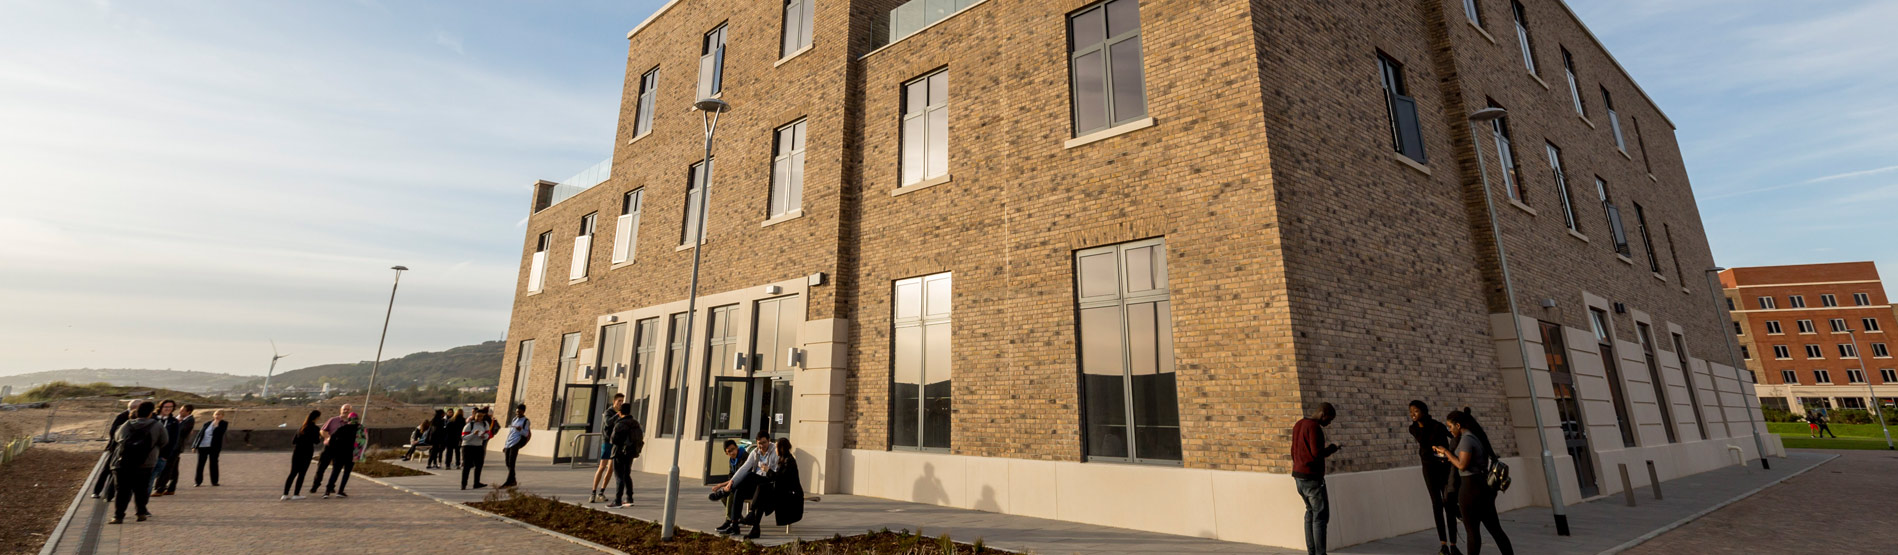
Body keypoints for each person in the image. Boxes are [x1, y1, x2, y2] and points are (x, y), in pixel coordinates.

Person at [1434, 410, 1513, 555]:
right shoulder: (1476, 436)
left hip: (1470, 488)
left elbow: (1462, 465)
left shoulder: (1466, 439)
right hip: (1482, 487)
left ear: (1458, 425)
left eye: (1450, 427)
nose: (1449, 430)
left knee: (1472, 533)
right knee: (1496, 530)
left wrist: (1446, 452)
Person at [1409, 401, 1459, 555]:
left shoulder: (1437, 426)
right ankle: (1443, 544)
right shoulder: (1414, 428)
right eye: (1411, 412)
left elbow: (1454, 437)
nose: (1413, 415)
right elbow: (1424, 441)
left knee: (1448, 503)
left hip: (1443, 467)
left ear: (1423, 411)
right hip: (1429, 469)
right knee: (1436, 504)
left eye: (1416, 411)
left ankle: (1453, 544)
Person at [1292, 402, 1340, 555]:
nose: (1329, 423)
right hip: (1312, 477)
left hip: (1298, 475)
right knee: (1320, 516)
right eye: (1329, 419)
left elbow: (1293, 450)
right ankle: (1320, 553)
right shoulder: (1314, 428)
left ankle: (1311, 552)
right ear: (1322, 414)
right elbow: (1317, 453)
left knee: (1310, 513)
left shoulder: (1299, 424)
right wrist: (1333, 448)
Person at [713, 431, 778, 539]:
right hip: (756, 484)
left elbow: (777, 473)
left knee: (749, 475)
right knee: (739, 490)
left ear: (769, 441)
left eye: (764, 443)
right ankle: (734, 525)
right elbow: (743, 468)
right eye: (759, 443)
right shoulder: (755, 452)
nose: (761, 446)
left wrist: (768, 470)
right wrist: (731, 483)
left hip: (769, 483)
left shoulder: (774, 451)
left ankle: (724, 492)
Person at [109, 401, 167, 524]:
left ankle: (118, 516)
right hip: (145, 463)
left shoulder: (127, 424)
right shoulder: (157, 425)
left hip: (123, 462)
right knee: (141, 489)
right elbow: (164, 441)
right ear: (151, 413)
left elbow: (117, 437)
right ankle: (141, 513)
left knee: (122, 490)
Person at [93, 399, 139, 499]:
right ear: (134, 407)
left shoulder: (139, 417)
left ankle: (110, 494)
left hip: (126, 449)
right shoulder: (122, 416)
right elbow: (113, 431)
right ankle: (97, 491)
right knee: (107, 469)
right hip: (116, 448)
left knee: (118, 471)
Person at [313, 413, 361, 499]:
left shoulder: (342, 428)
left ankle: (327, 492)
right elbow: (362, 443)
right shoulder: (360, 429)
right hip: (351, 455)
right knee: (346, 473)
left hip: (339, 454)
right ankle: (340, 491)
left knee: (335, 472)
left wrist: (335, 449)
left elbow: (332, 439)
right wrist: (358, 455)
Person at [606, 403, 644, 508]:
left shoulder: (620, 424)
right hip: (631, 452)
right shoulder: (635, 423)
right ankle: (629, 498)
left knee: (619, 476)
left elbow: (613, 440)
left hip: (619, 452)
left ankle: (618, 500)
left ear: (620, 412)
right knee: (627, 474)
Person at [592, 393, 625, 503]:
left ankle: (601, 492)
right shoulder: (608, 412)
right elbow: (607, 422)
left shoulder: (621, 414)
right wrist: (618, 415)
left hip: (616, 443)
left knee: (611, 468)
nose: (620, 403)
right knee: (602, 466)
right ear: (614, 401)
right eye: (619, 401)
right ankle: (593, 492)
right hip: (607, 442)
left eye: (622, 401)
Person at [284, 410, 322, 500]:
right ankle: (296, 494)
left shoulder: (301, 427)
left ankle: (285, 494)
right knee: (302, 473)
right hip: (307, 452)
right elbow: (316, 441)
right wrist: (319, 437)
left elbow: (293, 441)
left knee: (292, 473)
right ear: (316, 418)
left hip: (297, 452)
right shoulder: (316, 429)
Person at [158, 404, 195, 495]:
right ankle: (171, 488)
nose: (180, 412)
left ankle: (160, 487)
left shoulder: (189, 420)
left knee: (168, 467)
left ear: (188, 412)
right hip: (171, 445)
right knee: (173, 468)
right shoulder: (178, 419)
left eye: (182, 410)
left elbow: (181, 430)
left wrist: (177, 423)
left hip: (176, 447)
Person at [770, 438, 805, 528]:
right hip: (783, 490)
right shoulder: (782, 459)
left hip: (790, 494)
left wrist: (767, 471)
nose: (775, 450)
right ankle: (753, 518)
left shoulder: (789, 461)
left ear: (781, 448)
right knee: (761, 490)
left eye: (776, 447)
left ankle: (753, 517)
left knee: (762, 492)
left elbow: (781, 478)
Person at [460, 408, 496, 489]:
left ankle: (476, 483)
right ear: (474, 416)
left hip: (478, 446)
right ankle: (464, 484)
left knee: (479, 465)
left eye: (481, 416)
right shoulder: (469, 425)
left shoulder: (485, 424)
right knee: (467, 466)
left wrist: (483, 436)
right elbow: (464, 437)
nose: (479, 418)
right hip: (468, 447)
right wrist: (473, 434)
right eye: (478, 416)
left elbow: (487, 434)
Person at [147, 399, 177, 497]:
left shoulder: (174, 422)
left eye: (170, 407)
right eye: (166, 407)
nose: (168, 409)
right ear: (161, 407)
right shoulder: (151, 418)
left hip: (162, 455)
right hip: (148, 453)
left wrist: (166, 456)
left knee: (152, 476)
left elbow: (173, 440)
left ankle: (143, 503)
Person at [500, 404, 531, 488]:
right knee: (507, 462)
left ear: (523, 412)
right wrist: (505, 445)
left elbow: (526, 433)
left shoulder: (526, 421)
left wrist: (520, 430)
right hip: (509, 443)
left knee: (511, 462)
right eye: (517, 412)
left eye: (519, 412)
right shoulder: (514, 419)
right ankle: (513, 480)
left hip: (516, 442)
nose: (518, 413)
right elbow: (511, 433)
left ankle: (509, 481)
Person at [195, 410, 229, 486]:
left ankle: (214, 481)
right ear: (213, 415)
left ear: (222, 416)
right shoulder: (207, 423)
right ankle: (198, 482)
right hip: (203, 446)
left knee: (213, 463)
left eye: (219, 414)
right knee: (200, 464)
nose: (217, 416)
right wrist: (195, 445)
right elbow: (200, 434)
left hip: (214, 446)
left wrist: (216, 426)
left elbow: (220, 433)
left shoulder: (224, 424)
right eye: (216, 414)